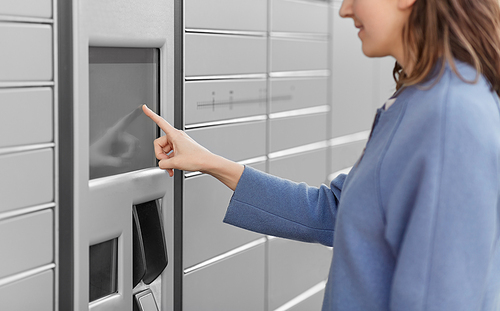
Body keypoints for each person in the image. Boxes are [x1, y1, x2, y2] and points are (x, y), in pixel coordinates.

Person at [142, 0, 500, 309]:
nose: (344, 10)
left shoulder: (451, 118)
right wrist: (207, 161)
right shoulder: (417, 102)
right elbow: (335, 212)